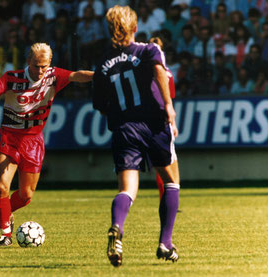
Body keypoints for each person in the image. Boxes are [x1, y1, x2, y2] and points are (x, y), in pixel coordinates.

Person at [0, 42, 93, 247]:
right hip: (9, 138)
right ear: (28, 61)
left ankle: (6, 212)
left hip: (33, 140)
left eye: (44, 66)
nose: (40, 70)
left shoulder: (54, 76)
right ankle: (5, 234)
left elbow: (76, 75)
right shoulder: (12, 78)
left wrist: (102, 76)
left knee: (26, 195)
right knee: (2, 186)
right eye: (36, 65)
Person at [92, 6, 180, 267]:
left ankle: (117, 226)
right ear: (135, 28)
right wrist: (168, 108)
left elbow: (99, 103)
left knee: (127, 189)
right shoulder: (149, 50)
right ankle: (165, 243)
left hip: (124, 128)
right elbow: (160, 73)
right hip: (154, 124)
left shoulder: (103, 63)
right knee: (171, 181)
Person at [149, 36, 176, 200]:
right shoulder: (165, 72)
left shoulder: (166, 73)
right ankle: (168, 197)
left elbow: (170, 99)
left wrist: (173, 122)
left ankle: (167, 197)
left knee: (165, 160)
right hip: (151, 117)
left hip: (160, 117)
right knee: (162, 161)